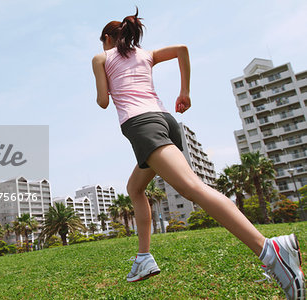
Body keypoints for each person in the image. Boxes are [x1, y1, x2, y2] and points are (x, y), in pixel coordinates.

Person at [91, 8, 305, 300]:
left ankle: (270, 250)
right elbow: (182, 50)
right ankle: (144, 258)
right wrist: (185, 93)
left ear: (106, 38)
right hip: (164, 120)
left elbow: (103, 101)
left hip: (141, 125)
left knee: (192, 188)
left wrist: (104, 86)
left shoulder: (101, 58)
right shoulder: (146, 54)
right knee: (135, 188)